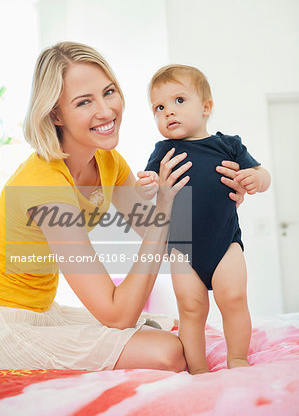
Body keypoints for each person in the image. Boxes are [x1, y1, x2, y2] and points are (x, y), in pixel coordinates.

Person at [0, 44, 244, 372]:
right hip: (9, 322)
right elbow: (117, 314)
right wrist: (165, 208)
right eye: (84, 102)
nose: (106, 111)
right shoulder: (45, 188)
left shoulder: (106, 160)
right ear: (55, 114)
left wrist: (220, 197)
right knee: (169, 353)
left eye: (109, 92)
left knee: (170, 326)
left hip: (44, 311)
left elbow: (171, 235)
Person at [136, 64, 271, 374]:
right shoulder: (164, 151)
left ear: (206, 107)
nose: (168, 112)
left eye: (179, 101)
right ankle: (197, 368)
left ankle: (237, 358)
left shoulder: (229, 145)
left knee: (234, 298)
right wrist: (144, 185)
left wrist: (256, 179)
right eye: (159, 107)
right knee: (191, 308)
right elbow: (147, 185)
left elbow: (263, 174)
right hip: (183, 248)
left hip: (225, 244)